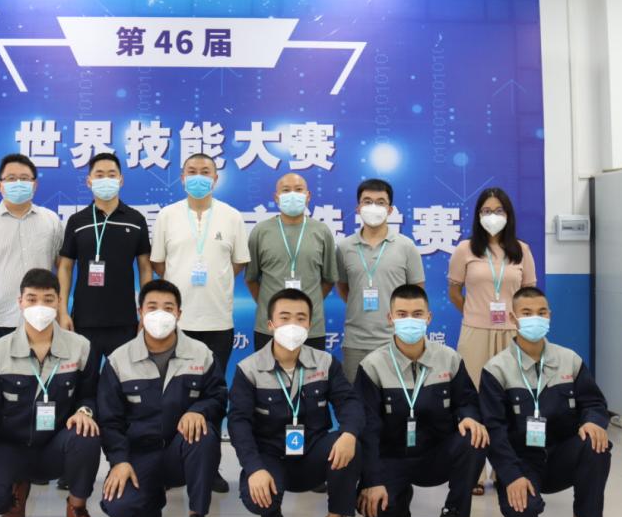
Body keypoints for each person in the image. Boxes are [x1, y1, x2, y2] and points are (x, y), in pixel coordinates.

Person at [0, 269, 103, 517]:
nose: (40, 306)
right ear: (20, 302)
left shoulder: (81, 347)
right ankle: (16, 489)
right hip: (11, 447)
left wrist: (85, 411)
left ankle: (77, 509)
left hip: (56, 446)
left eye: (48, 300)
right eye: (32, 299)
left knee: (86, 435)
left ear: (59, 302)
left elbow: (90, 394)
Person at [228, 288, 366, 517]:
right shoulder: (249, 368)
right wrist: (254, 468)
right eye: (284, 317)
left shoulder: (325, 363)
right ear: (270, 324)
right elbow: (238, 423)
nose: (293, 324)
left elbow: (349, 403)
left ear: (309, 324)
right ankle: (271, 511)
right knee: (259, 501)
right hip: (270, 455)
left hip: (312, 453)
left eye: (301, 318)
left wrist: (349, 433)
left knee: (350, 444)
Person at [354, 284, 487, 517]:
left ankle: (452, 515)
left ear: (428, 318)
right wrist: (372, 480)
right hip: (393, 456)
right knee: (375, 511)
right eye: (402, 314)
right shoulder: (372, 365)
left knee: (475, 436)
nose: (410, 321)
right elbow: (367, 428)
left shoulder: (449, 359)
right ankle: (400, 499)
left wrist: (469, 416)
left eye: (417, 314)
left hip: (437, 455)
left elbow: (467, 400)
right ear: (390, 318)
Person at [480, 287, 614, 517]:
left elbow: (594, 403)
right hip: (522, 461)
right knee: (524, 516)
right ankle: (518, 497)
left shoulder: (569, 360)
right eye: (527, 313)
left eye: (541, 312)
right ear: (513, 318)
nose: (535, 318)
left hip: (561, 455)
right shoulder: (497, 369)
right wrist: (511, 475)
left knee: (596, 443)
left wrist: (593, 421)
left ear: (549, 315)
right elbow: (494, 430)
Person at [97, 279, 226, 517]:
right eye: (152, 307)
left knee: (203, 433)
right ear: (140, 312)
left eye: (168, 308)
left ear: (179, 313)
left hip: (182, 449)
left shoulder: (201, 354)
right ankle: (152, 499)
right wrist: (119, 461)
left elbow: (218, 397)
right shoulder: (119, 360)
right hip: (140, 452)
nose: (160, 314)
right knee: (119, 507)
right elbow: (110, 420)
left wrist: (198, 411)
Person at [150, 152, 248, 492]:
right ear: (181, 178)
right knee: (171, 396)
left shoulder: (232, 216)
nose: (198, 177)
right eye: (191, 171)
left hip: (217, 321)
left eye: (205, 171)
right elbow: (159, 264)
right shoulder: (167, 215)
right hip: (175, 323)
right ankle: (168, 464)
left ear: (216, 179)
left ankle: (210, 466)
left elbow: (238, 263)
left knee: (213, 396)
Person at [447, 186, 536, 494]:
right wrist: (474, 313)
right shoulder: (465, 249)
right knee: (472, 402)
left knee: (511, 403)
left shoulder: (521, 250)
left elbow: (529, 296)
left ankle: (504, 471)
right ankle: (471, 472)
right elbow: (454, 291)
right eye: (486, 211)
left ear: (508, 215)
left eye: (498, 211)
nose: (492, 216)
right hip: (475, 334)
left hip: (512, 335)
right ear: (477, 215)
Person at [0, 154, 63, 353]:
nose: (18, 183)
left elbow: (63, 268)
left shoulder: (51, 220)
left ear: (34, 185)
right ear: (0, 185)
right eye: (11, 178)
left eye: (24, 178)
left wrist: (61, 311)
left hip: (41, 319)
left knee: (39, 373)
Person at [58, 152, 152, 359]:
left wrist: (146, 311)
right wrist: (62, 311)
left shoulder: (136, 219)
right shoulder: (77, 221)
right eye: (99, 175)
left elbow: (145, 267)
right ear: (89, 181)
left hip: (124, 320)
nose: (106, 179)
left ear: (121, 180)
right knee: (84, 378)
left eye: (111, 174)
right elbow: (65, 267)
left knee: (123, 377)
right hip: (84, 320)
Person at [336, 179, 424, 382]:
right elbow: (344, 288)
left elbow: (417, 294)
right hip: (356, 342)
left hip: (396, 340)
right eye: (367, 201)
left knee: (398, 397)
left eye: (380, 202)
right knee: (356, 397)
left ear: (390, 209)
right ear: (358, 208)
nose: (373, 207)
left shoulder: (406, 246)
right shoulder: (344, 247)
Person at [247, 173, 337, 352]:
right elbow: (251, 278)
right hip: (270, 328)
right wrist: (270, 306)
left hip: (310, 328)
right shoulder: (260, 231)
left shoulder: (321, 231)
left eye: (298, 189)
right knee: (267, 370)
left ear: (308, 196)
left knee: (312, 371)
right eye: (286, 190)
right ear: (276, 197)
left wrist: (308, 303)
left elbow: (329, 279)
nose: (292, 194)